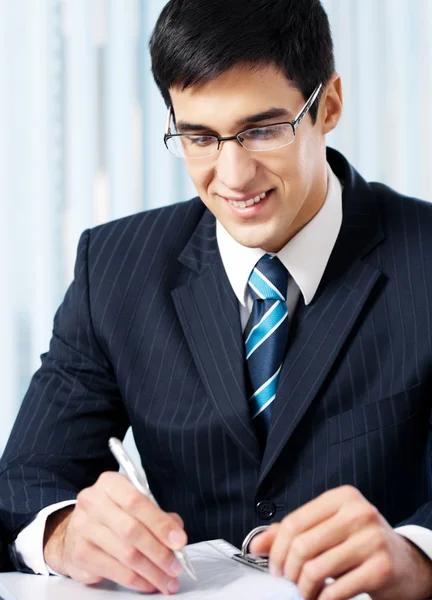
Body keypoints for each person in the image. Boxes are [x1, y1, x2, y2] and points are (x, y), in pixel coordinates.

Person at [0, 0, 432, 598]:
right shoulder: (116, 267)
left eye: (262, 130)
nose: (232, 176)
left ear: (328, 105)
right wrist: (64, 532)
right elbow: (27, 478)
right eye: (200, 137)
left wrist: (418, 556)